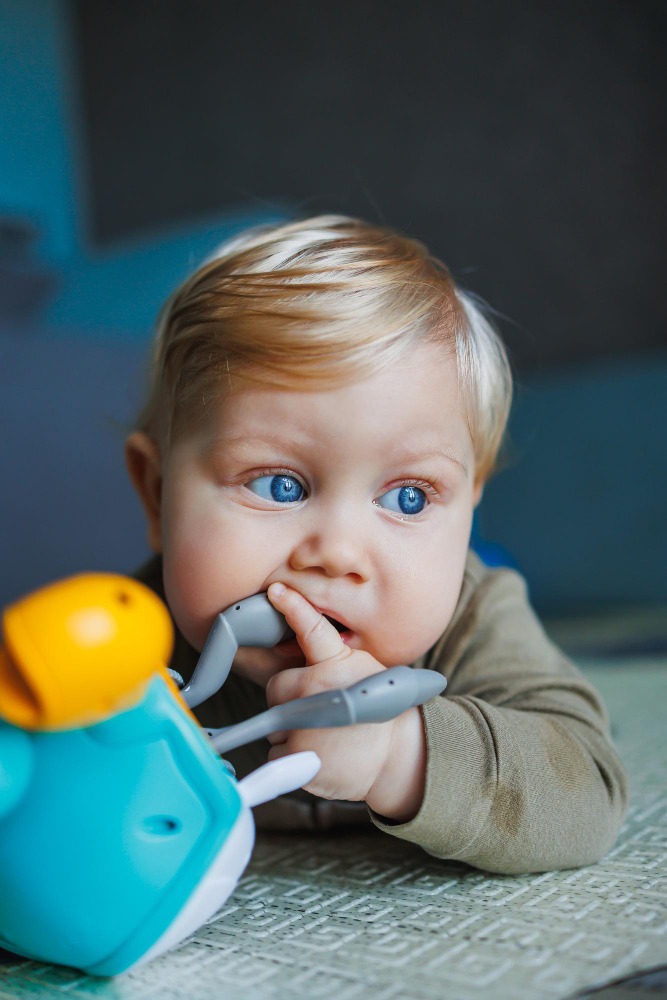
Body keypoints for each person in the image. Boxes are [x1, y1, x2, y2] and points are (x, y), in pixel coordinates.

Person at [126, 215, 628, 874]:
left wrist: (402, 753)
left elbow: (587, 795)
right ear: (157, 495)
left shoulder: (475, 618)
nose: (335, 553)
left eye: (408, 498)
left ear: (468, 504)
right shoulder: (129, 641)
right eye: (278, 484)